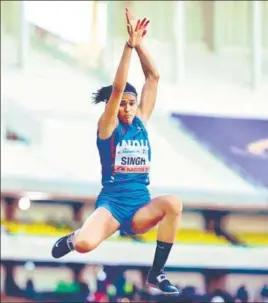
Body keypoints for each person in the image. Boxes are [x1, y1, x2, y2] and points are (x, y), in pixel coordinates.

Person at [51, 8, 183, 295]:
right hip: (112, 205)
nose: (126, 108)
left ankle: (156, 272)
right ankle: (73, 239)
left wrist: (140, 44)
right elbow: (118, 87)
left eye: (130, 103)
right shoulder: (108, 126)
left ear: (137, 105)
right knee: (86, 245)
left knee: (174, 203)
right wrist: (127, 46)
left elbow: (154, 77)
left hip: (140, 207)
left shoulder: (141, 123)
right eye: (122, 103)